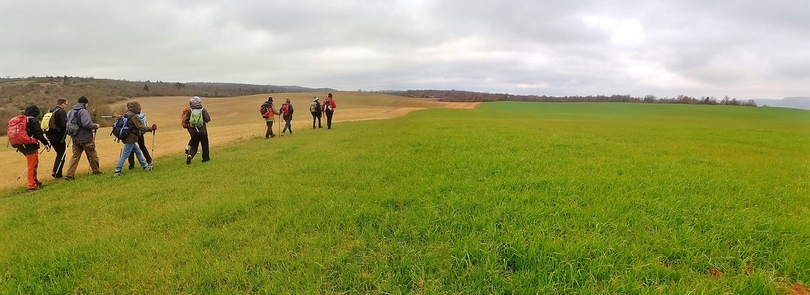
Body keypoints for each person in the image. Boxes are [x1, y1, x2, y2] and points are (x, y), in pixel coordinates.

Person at [11, 105, 50, 191]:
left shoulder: (23, 120)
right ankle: (31, 185)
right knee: (32, 165)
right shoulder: (33, 121)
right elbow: (38, 134)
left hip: (21, 145)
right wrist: (46, 143)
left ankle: (34, 181)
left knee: (34, 163)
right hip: (30, 145)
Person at [64, 96, 103, 180]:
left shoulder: (71, 111)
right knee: (92, 154)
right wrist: (95, 125)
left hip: (75, 137)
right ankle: (96, 171)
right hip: (85, 137)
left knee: (75, 156)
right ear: (85, 104)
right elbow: (86, 124)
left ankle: (69, 174)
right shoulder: (83, 111)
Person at [114, 102, 155, 177]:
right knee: (125, 154)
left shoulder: (126, 114)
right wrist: (151, 128)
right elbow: (141, 127)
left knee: (138, 151)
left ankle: (145, 166)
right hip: (131, 139)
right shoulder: (134, 117)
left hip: (126, 137)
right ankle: (117, 171)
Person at [184, 96, 211, 164]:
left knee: (194, 145)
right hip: (202, 131)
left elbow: (186, 121)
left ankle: (190, 155)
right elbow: (207, 119)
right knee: (205, 144)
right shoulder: (203, 109)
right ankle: (205, 158)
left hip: (193, 131)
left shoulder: (190, 110)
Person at [46, 98, 68, 178]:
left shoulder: (51, 110)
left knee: (59, 154)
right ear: (62, 104)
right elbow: (63, 125)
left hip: (50, 136)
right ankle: (57, 173)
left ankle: (55, 170)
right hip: (59, 137)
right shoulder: (61, 112)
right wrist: (65, 134)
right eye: (66, 104)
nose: (66, 106)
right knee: (62, 154)